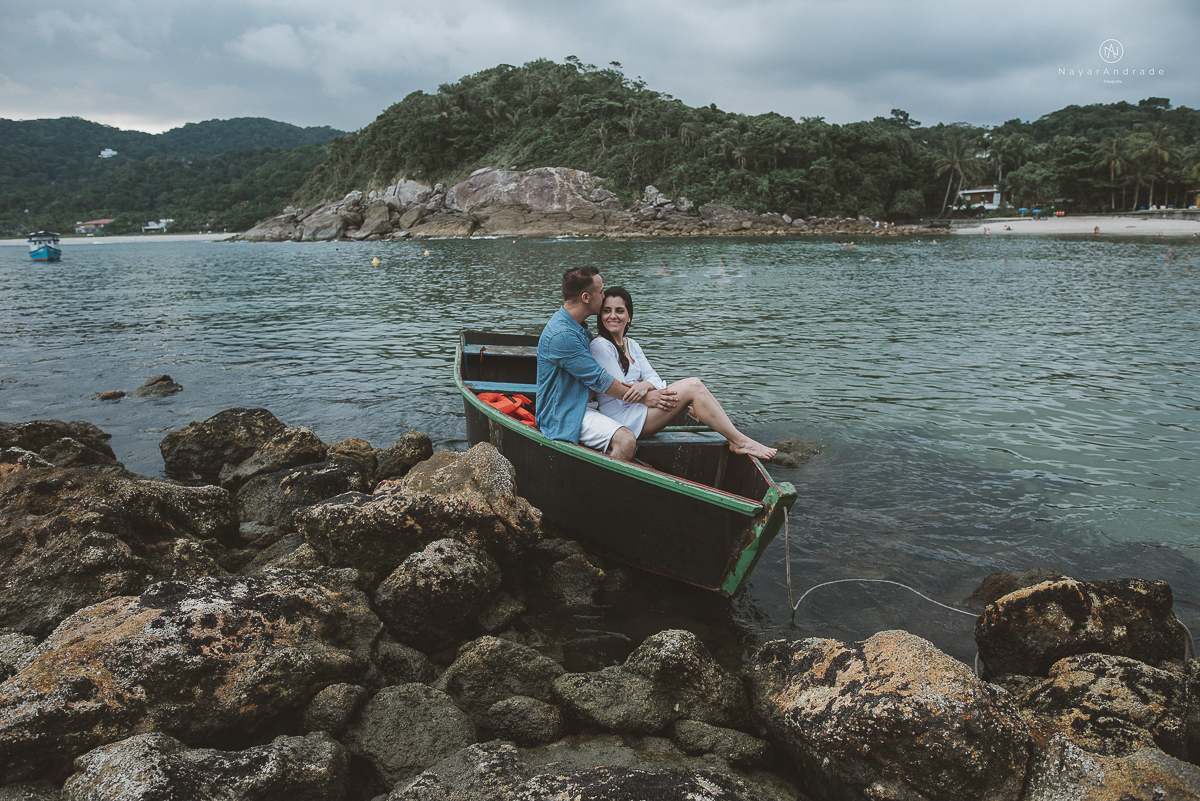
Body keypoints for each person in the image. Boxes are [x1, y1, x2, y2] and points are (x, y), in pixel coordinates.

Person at [590, 286, 777, 461]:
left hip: (637, 411)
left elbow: (654, 378)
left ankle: (736, 437)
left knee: (695, 388)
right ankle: (740, 441)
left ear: (629, 316)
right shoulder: (600, 345)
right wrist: (646, 389)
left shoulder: (632, 345)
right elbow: (624, 392)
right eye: (607, 310)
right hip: (621, 420)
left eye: (619, 311)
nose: (612, 316)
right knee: (694, 387)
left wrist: (645, 385)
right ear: (601, 315)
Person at [536, 267, 677, 459]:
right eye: (601, 292)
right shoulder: (563, 335)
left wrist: (646, 387)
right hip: (564, 413)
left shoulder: (578, 326)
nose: (604, 296)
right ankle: (604, 486)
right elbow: (600, 380)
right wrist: (644, 397)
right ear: (586, 297)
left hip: (585, 405)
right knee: (625, 439)